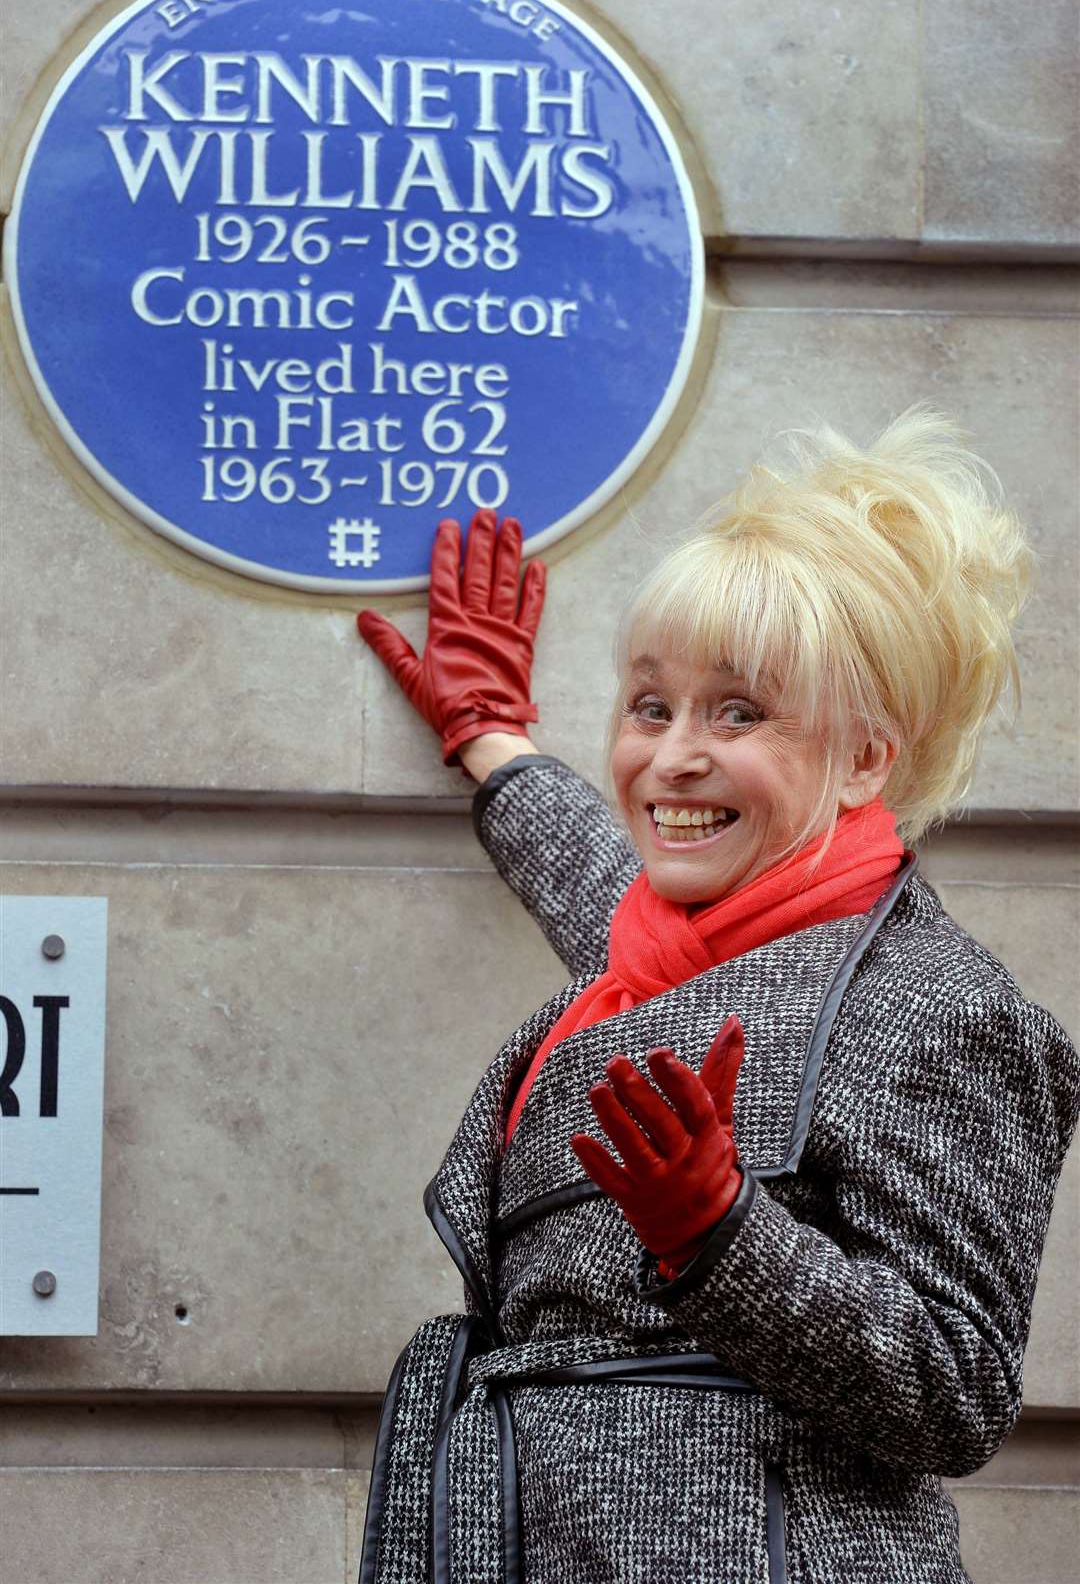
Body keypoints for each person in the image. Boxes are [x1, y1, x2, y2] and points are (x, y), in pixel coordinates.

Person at [355, 408, 1079, 1584]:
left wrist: (721, 1236)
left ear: (863, 759)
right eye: (651, 706)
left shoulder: (943, 1003)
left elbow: (958, 1388)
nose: (671, 756)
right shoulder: (653, 947)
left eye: (737, 711)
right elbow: (585, 856)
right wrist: (490, 727)